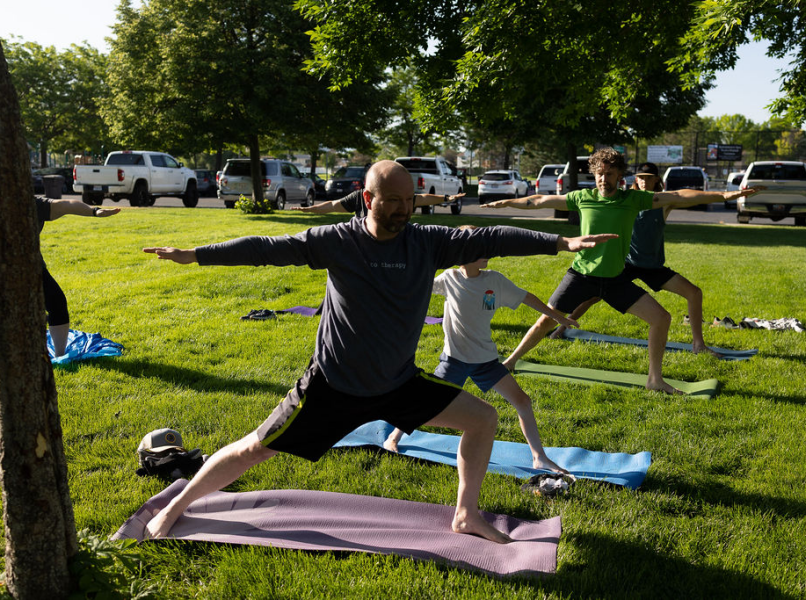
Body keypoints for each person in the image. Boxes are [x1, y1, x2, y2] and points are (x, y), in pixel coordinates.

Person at [142, 160, 615, 544]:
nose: (403, 210)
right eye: (392, 202)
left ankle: (465, 516)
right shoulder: (338, 241)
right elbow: (268, 247)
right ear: (367, 199)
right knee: (253, 449)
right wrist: (195, 254)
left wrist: (560, 242)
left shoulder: (426, 242)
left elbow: (489, 236)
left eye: (409, 201)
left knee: (482, 419)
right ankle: (175, 505)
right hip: (332, 387)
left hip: (397, 383)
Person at [483, 147, 762, 394]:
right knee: (546, 320)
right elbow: (539, 201)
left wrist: (723, 193)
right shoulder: (583, 197)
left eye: (610, 174)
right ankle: (509, 363)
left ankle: (654, 379)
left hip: (616, 280)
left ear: (620, 176)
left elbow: (678, 195)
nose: (604, 179)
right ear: (594, 175)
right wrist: (507, 202)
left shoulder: (633, 199)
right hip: (581, 275)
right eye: (600, 174)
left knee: (661, 318)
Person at [383, 224, 577, 473]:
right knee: (425, 403)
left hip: (486, 361)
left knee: (523, 402)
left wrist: (558, 318)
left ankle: (539, 457)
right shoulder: (450, 278)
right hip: (454, 360)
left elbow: (527, 297)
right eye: (480, 247)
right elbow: (417, 286)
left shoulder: (495, 281)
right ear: (462, 254)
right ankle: (393, 438)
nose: (488, 251)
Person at [549, 162, 720, 356]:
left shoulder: (663, 203)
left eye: (648, 177)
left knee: (694, 293)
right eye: (640, 177)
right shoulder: (626, 199)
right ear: (634, 180)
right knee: (592, 297)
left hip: (652, 266)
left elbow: (684, 196)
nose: (644, 181)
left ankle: (699, 344)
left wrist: (724, 196)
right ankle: (561, 329)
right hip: (626, 264)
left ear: (657, 180)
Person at [0, 197, 120, 356]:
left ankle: (60, 354)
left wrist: (94, 211)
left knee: (57, 303)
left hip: (31, 266)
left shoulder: (34, 205)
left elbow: (67, 205)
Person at [290, 188, 466, 218]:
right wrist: (309, 209)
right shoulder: (358, 196)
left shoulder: (397, 194)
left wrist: (446, 198)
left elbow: (422, 198)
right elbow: (333, 205)